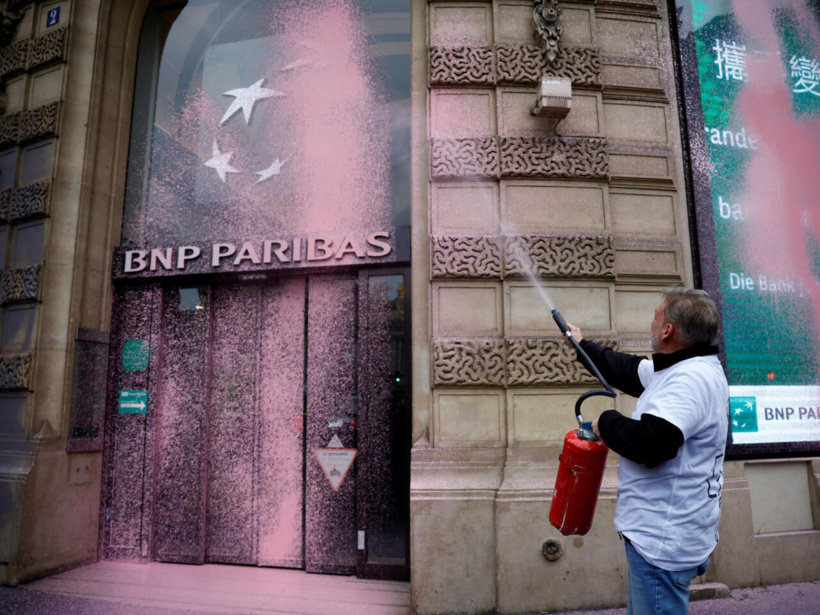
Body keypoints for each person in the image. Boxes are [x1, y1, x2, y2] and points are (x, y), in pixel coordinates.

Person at [563, 287, 729, 615]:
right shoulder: (682, 368)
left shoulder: (689, 380)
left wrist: (606, 422)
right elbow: (628, 370)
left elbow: (652, 444)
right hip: (668, 535)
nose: (651, 323)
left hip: (663, 543)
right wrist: (582, 347)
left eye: (656, 316)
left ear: (668, 330)